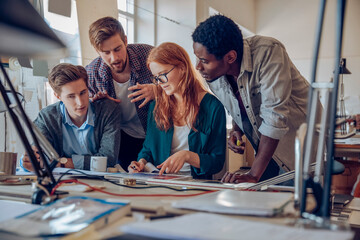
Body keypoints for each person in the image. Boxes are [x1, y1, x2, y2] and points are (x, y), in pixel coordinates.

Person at [192, 14, 311, 183]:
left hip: (298, 146)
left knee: (294, 202)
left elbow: (274, 117)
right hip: (266, 149)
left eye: (204, 60)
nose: (198, 67)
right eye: (198, 58)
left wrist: (253, 175)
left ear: (230, 57)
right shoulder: (213, 72)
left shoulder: (268, 52)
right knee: (261, 201)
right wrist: (237, 129)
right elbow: (239, 103)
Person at [128, 42, 226, 179]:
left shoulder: (213, 107)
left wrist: (187, 156)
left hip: (197, 187)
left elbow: (217, 162)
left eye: (163, 74)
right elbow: (148, 149)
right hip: (161, 184)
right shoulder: (156, 106)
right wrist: (140, 162)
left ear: (182, 67)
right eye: (156, 78)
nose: (160, 83)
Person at [21, 63, 121, 171]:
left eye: (83, 93)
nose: (80, 102)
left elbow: (108, 159)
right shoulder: (47, 118)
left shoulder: (108, 111)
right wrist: (28, 162)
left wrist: (62, 163)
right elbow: (40, 156)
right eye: (71, 96)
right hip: (65, 182)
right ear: (58, 96)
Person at [86, 16, 154, 171]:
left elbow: (179, 88)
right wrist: (95, 107)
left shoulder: (149, 56)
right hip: (122, 139)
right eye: (106, 52)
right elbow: (87, 122)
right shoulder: (91, 74)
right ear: (97, 51)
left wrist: (158, 91)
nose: (114, 58)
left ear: (125, 40)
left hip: (155, 135)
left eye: (117, 49)